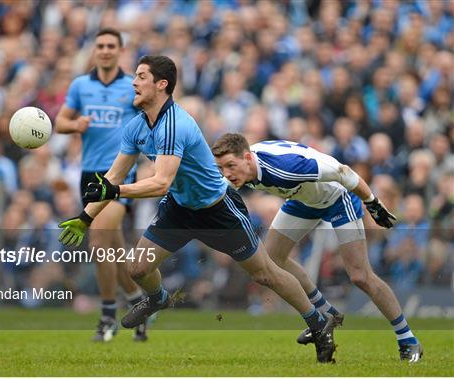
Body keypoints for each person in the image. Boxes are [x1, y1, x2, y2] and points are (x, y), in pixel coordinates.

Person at [58, 55, 338, 363]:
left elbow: (160, 182)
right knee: (137, 268)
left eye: (140, 77)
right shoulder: (136, 127)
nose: (133, 82)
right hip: (179, 208)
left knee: (266, 274)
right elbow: (111, 177)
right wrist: (86, 217)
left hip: (217, 209)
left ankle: (317, 322)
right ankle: (158, 298)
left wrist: (115, 191)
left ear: (161, 84)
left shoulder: (175, 125)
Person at [211, 133, 423, 362]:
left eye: (231, 166)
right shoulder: (240, 169)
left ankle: (408, 339)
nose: (227, 174)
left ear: (248, 158)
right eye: (222, 167)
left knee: (360, 276)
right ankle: (326, 314)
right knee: (270, 259)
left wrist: (372, 202)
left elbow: (344, 172)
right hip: (303, 200)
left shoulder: (289, 166)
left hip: (337, 198)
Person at [54, 28, 147, 342]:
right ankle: (139, 303)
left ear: (120, 50)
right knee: (115, 251)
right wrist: (74, 125)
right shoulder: (81, 85)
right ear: (94, 51)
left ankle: (108, 316)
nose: (105, 50)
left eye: (111, 46)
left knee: (97, 241)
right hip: (88, 174)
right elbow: (60, 122)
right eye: (100, 46)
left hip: (119, 176)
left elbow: (150, 121)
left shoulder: (131, 86)